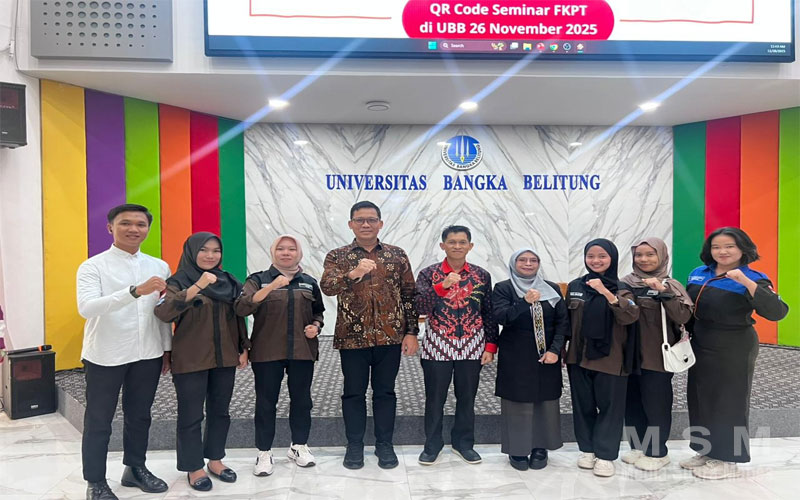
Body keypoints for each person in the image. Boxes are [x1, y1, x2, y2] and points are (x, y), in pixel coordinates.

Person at [76, 204, 171, 500]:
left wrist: (167, 349)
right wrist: (134, 292)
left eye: (140, 224)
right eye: (125, 223)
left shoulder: (159, 266)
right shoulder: (93, 266)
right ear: (110, 228)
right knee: (99, 420)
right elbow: (87, 308)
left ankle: (135, 468)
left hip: (148, 353)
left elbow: (162, 312)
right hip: (106, 353)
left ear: (148, 229)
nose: (133, 229)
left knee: (140, 416)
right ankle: (95, 481)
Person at [680, 227, 788, 479]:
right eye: (716, 247)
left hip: (734, 345)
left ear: (742, 248)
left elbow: (777, 312)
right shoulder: (698, 273)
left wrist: (746, 283)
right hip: (701, 342)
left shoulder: (754, 277)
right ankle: (706, 450)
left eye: (730, 246)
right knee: (700, 397)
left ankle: (728, 458)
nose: (723, 251)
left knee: (729, 401)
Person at [320, 200, 419, 470]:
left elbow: (409, 295)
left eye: (371, 220)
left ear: (380, 224)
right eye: (360, 220)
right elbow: (327, 287)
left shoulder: (397, 255)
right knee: (353, 393)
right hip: (352, 338)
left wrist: (412, 332)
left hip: (390, 337)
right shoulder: (337, 256)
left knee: (385, 393)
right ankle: (355, 445)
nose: (366, 224)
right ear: (351, 224)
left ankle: (384, 444)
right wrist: (354, 274)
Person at [154, 232, 249, 491]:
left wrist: (244, 346)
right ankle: (193, 466)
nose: (210, 255)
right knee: (191, 414)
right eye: (204, 250)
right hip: (191, 357)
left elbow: (239, 315)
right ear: (192, 252)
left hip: (224, 356)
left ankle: (215, 460)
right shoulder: (178, 281)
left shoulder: (228, 280)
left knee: (221, 411)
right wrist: (197, 286)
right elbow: (163, 312)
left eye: (216, 250)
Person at [235, 234, 324, 476]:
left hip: (302, 351)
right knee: (266, 403)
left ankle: (299, 446)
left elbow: (318, 312)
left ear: (299, 253)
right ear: (273, 252)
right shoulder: (257, 280)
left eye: (291, 249)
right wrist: (272, 286)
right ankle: (264, 452)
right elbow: (242, 307)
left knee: (302, 401)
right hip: (267, 351)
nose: (286, 253)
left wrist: (316, 326)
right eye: (281, 249)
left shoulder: (309, 282)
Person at [414, 226, 498, 466]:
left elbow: (488, 311)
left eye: (462, 242)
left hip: (472, 344)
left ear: (470, 246)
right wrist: (442, 286)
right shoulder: (429, 274)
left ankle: (464, 444)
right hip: (437, 345)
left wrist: (491, 346)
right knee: (435, 398)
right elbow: (419, 307)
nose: (457, 246)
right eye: (452, 242)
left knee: (467, 397)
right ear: (443, 246)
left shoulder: (481, 275)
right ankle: (432, 445)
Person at [564, 238, 640, 478]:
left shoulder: (622, 288)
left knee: (610, 408)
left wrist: (605, 292)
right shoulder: (576, 286)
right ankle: (587, 450)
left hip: (611, 359)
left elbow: (630, 316)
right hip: (578, 357)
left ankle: (606, 455)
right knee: (582, 406)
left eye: (602, 256)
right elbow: (566, 321)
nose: (595, 261)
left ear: (612, 259)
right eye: (591, 256)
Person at [492, 248, 569, 471]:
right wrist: (524, 302)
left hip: (547, 356)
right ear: (513, 263)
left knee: (545, 401)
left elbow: (563, 322)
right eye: (522, 260)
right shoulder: (504, 288)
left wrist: (555, 350)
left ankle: (540, 447)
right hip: (516, 355)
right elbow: (501, 317)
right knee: (517, 402)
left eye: (533, 260)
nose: (528, 264)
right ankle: (517, 449)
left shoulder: (551, 288)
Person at [620, 237, 692, 471]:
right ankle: (638, 447)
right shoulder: (626, 283)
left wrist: (664, 292)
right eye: (639, 255)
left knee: (655, 405)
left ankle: (657, 451)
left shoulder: (671, 285)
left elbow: (683, 317)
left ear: (661, 256)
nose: (644, 259)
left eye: (650, 254)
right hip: (628, 356)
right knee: (632, 404)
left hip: (657, 357)